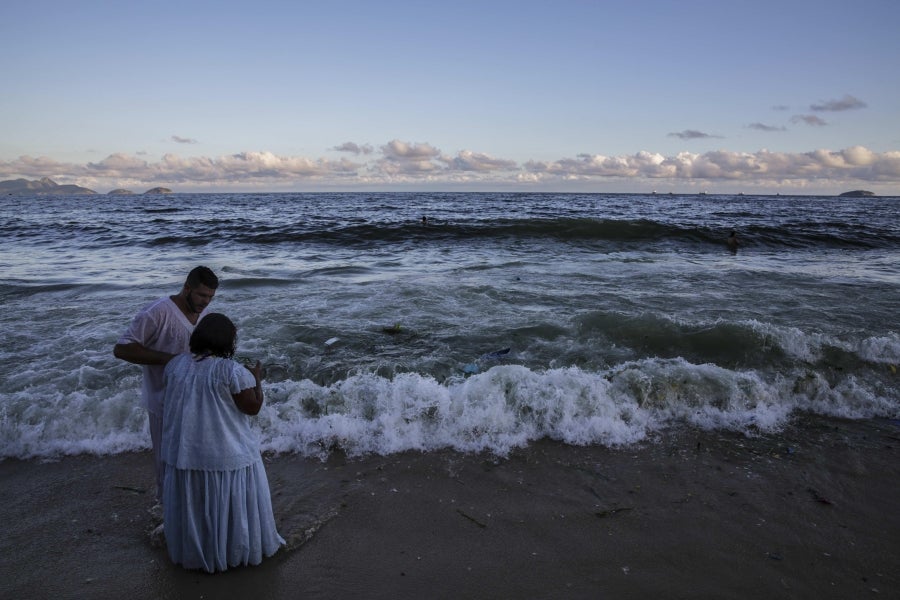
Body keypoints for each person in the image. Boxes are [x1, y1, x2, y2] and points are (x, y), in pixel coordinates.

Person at [161, 313, 284, 572]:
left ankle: (198, 552)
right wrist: (257, 378)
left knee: (195, 505)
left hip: (185, 453)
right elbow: (252, 408)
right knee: (229, 506)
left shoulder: (175, 366)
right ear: (227, 342)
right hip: (225, 451)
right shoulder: (231, 371)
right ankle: (233, 552)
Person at [113, 266, 219, 502]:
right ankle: (167, 514)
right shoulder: (158, 312)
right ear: (187, 288)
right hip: (164, 403)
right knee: (167, 463)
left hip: (195, 401)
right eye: (202, 295)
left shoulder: (205, 316)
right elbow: (122, 348)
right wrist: (171, 360)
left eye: (211, 297)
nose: (206, 302)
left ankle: (190, 509)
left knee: (194, 461)